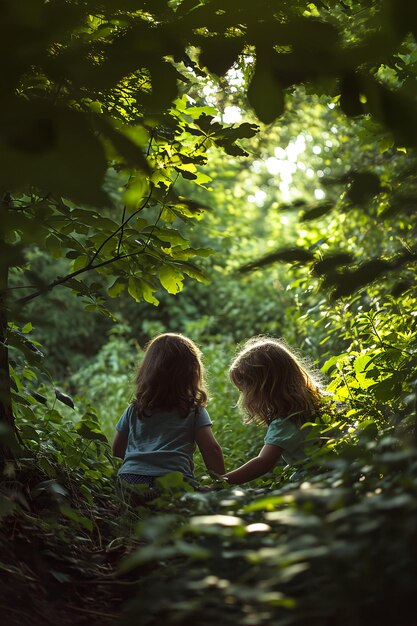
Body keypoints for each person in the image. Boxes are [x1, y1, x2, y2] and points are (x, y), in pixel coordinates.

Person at [112, 332, 225, 494]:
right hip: (174, 480)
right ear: (192, 372)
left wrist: (132, 468)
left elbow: (117, 449)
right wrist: (221, 483)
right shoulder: (193, 411)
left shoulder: (136, 409)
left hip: (131, 480)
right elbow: (211, 449)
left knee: (136, 515)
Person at [223, 336, 324, 485]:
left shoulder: (286, 422)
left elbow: (263, 462)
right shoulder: (321, 404)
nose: (244, 397)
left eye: (245, 390)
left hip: (313, 483)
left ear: (265, 388)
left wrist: (219, 483)